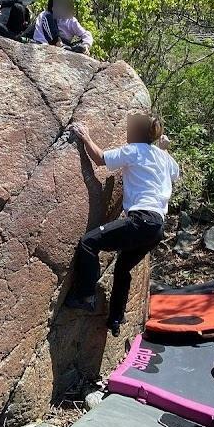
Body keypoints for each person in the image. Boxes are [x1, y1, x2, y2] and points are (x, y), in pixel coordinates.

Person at [66, 112, 178, 336]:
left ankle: (85, 295)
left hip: (141, 220)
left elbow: (100, 159)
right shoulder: (165, 158)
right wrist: (163, 148)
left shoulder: (133, 150)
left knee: (89, 242)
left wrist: (85, 137)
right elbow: (173, 174)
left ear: (136, 132)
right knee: (123, 267)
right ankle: (116, 319)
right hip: (157, 227)